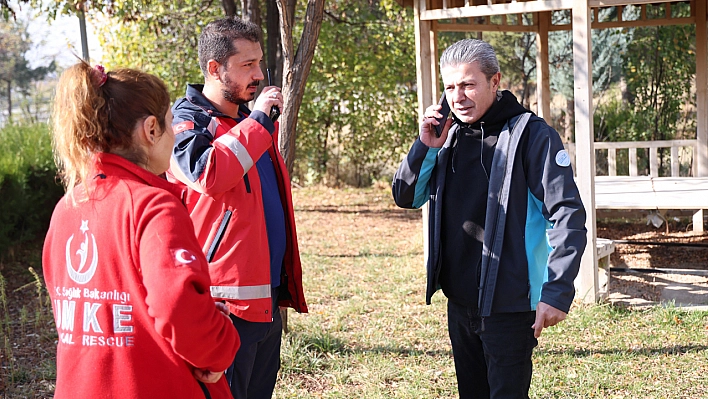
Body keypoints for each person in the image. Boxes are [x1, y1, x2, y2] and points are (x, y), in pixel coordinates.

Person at [392, 39, 587, 399]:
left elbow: (568, 216)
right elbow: (406, 196)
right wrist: (423, 147)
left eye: (468, 84)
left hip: (510, 305)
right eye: (450, 87)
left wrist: (557, 292)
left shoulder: (532, 136)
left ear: (495, 81)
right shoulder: (445, 136)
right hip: (460, 301)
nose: (458, 96)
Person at [43, 61, 241, 399]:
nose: (177, 132)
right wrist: (217, 345)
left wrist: (201, 313)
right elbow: (176, 304)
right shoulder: (153, 207)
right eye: (170, 122)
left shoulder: (67, 207)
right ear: (150, 130)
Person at [167, 17, 308, 399]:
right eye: (247, 65)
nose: (259, 74)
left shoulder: (247, 120)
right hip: (223, 307)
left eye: (259, 63)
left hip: (265, 301)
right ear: (214, 69)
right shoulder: (184, 122)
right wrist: (261, 120)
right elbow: (206, 173)